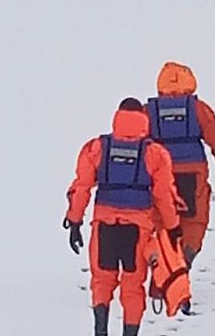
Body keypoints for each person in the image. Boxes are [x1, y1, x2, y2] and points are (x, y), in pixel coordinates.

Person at [64, 98, 184, 336]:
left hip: (104, 226)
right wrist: (173, 228)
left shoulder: (97, 148)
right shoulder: (155, 153)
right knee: (132, 287)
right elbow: (163, 196)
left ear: (118, 116)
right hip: (137, 230)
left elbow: (82, 186)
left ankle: (100, 331)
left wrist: (75, 221)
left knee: (101, 281)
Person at [146, 61, 215, 269]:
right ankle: (186, 256)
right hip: (193, 171)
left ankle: (163, 263)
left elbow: (136, 141)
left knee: (161, 218)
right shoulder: (198, 109)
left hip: (160, 173)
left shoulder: (148, 111)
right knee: (195, 218)